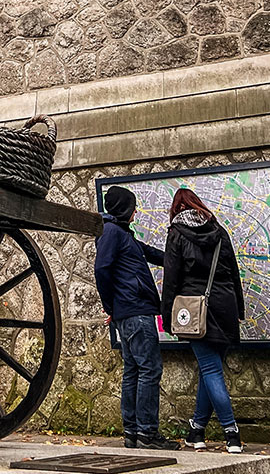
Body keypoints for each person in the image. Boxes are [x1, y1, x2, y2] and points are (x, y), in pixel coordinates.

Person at [161, 188, 246, 454]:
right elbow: (233, 271)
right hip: (225, 305)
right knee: (210, 370)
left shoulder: (176, 234)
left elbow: (171, 278)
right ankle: (196, 431)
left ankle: (231, 433)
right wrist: (238, 309)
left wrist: (166, 316)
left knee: (210, 370)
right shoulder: (218, 230)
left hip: (196, 309)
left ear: (177, 209)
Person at [94, 185, 179, 450]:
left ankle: (133, 433)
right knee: (149, 371)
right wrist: (110, 306)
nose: (136, 211)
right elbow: (101, 270)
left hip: (130, 312)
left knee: (133, 371)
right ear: (125, 209)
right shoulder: (111, 232)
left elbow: (152, 253)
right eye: (133, 207)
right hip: (135, 312)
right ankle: (147, 434)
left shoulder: (120, 233)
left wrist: (182, 257)